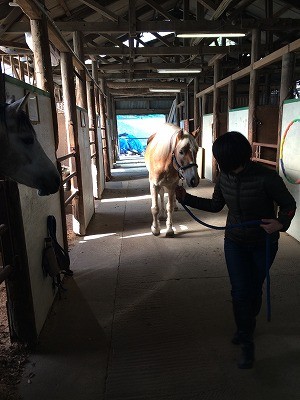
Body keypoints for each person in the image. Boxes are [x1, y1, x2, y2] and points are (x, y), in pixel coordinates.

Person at [175, 131, 296, 369]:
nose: (217, 163)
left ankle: (246, 322)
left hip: (263, 244)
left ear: (230, 159)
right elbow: (215, 205)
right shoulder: (224, 178)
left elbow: (289, 205)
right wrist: (186, 199)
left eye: (219, 159)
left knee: (253, 290)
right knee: (240, 291)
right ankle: (246, 340)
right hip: (235, 242)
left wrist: (281, 223)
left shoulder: (267, 178)